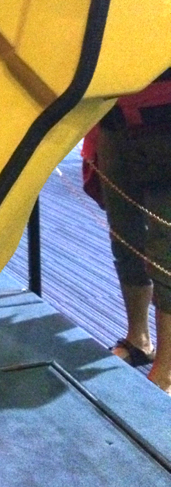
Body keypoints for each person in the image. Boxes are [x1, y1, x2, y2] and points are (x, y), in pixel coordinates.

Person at [93, 69, 171, 395]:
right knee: (124, 236)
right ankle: (138, 339)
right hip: (115, 112)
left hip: (165, 115)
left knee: (166, 246)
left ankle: (167, 368)